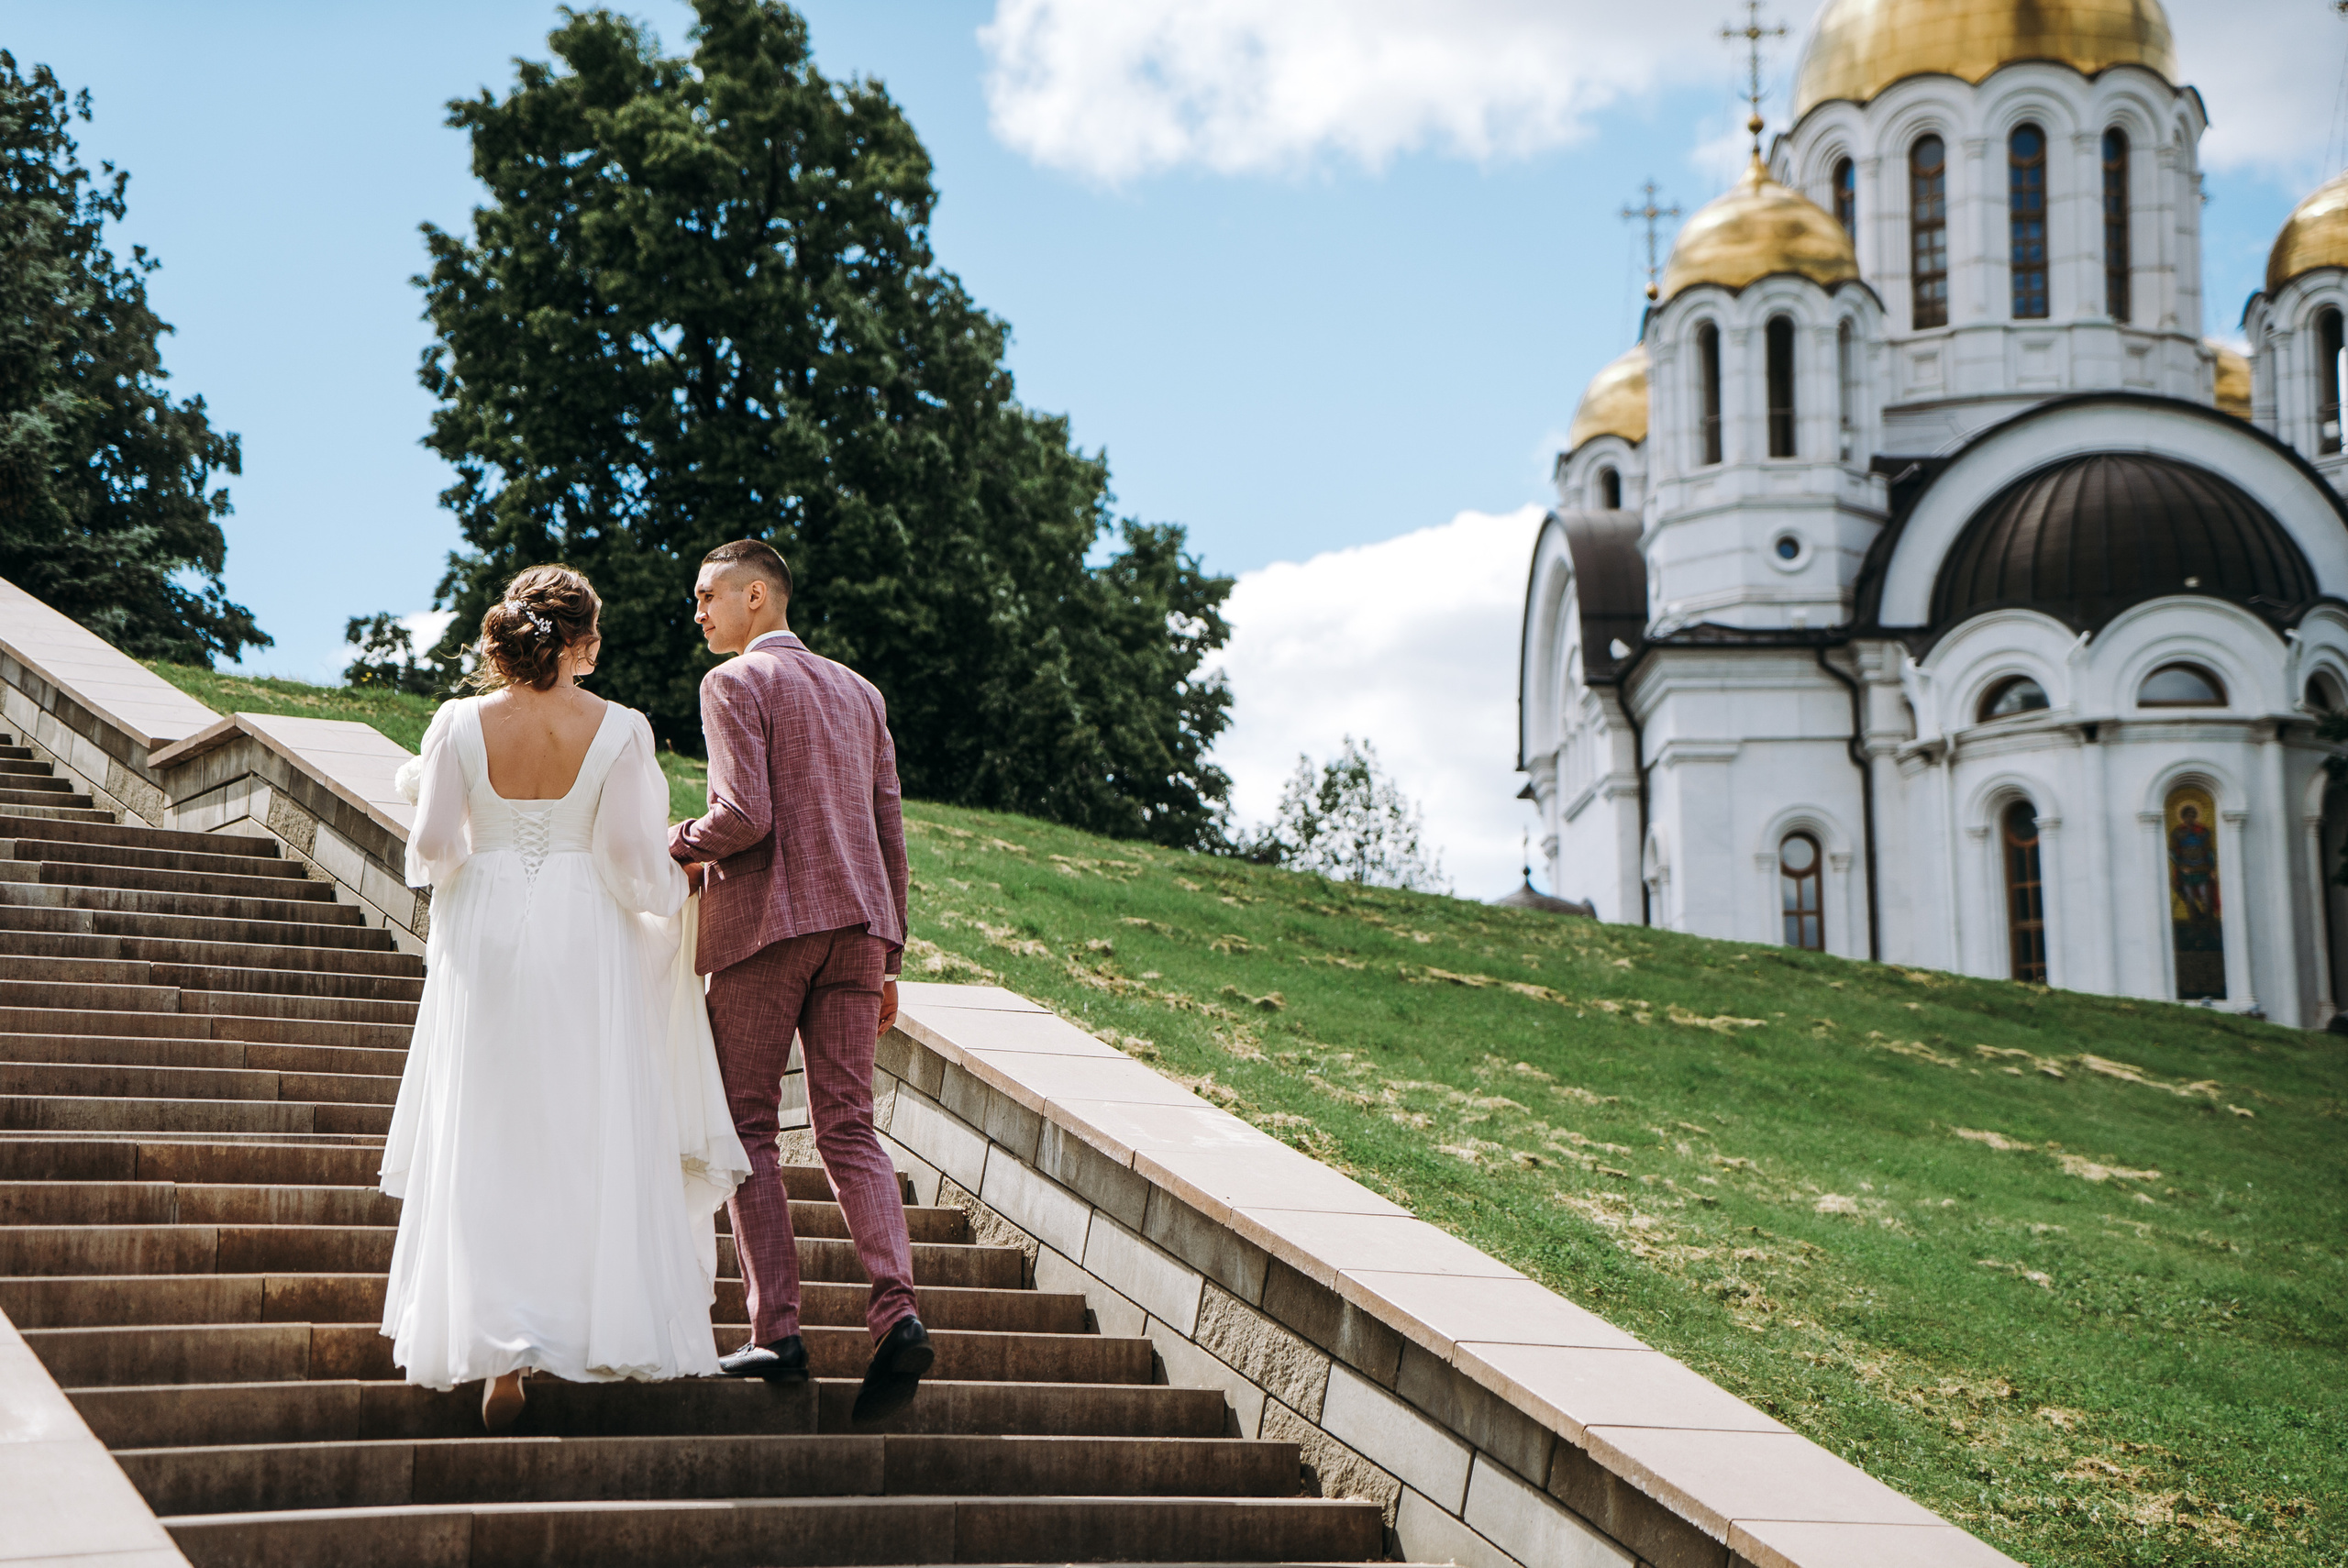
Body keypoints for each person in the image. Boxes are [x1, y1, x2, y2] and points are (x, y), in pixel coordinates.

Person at [380, 565, 749, 1430]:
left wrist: (470, 846)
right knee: (586, 1125)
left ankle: (498, 1345)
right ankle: (589, 1322)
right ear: (580, 641)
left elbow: (431, 846)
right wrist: (673, 898)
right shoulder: (620, 728)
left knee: (490, 1125)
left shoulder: (456, 722)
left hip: (487, 932)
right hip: (588, 935)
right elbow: (630, 859)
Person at [670, 538, 932, 1424]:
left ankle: (777, 1330)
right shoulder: (863, 692)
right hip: (860, 931)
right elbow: (890, 829)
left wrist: (673, 847)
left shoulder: (734, 684)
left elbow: (743, 817)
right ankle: (897, 1310)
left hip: (768, 930)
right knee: (849, 1127)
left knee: (747, 1127)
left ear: (756, 597)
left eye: (708, 596)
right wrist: (890, 952)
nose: (697, 613)